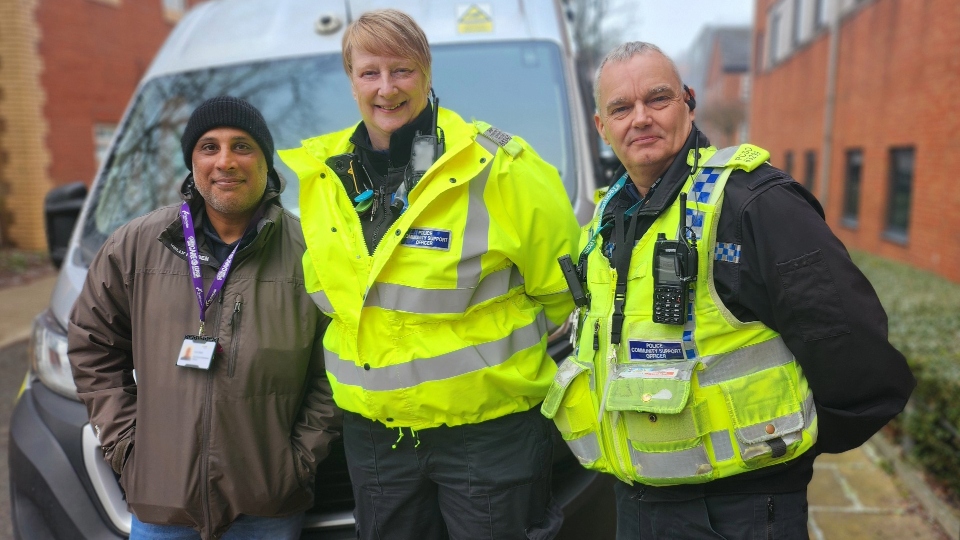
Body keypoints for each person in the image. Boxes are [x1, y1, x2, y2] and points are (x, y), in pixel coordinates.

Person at [541, 42, 916, 539]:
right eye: (621, 108)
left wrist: (785, 458)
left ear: (688, 102)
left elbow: (853, 349)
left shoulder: (754, 204)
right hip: (634, 503)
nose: (641, 119)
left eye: (658, 99)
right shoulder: (610, 216)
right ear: (601, 127)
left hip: (739, 511)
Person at [279, 9, 580, 540]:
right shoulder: (323, 176)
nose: (386, 88)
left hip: (487, 435)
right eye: (370, 72)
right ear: (351, 80)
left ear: (427, 73)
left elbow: (561, 296)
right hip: (378, 440)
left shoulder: (501, 167)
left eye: (402, 71)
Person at [68, 96, 341, 540]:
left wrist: (297, 461)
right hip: (161, 508)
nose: (225, 161)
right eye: (209, 147)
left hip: (267, 506)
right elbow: (91, 346)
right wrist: (128, 447)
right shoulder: (134, 245)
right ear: (192, 163)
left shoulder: (311, 251)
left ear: (266, 162)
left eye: (242, 146)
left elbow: (337, 366)